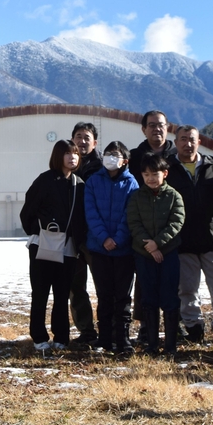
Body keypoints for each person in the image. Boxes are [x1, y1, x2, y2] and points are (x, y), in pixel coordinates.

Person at [20, 139, 86, 352]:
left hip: (68, 247)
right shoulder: (44, 180)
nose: (72, 157)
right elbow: (28, 211)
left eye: (75, 153)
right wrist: (40, 229)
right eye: (67, 153)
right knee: (40, 293)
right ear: (58, 156)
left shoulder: (79, 184)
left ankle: (61, 337)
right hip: (42, 244)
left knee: (62, 294)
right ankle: (39, 337)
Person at [166, 125, 213, 345]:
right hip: (183, 241)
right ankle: (194, 327)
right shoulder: (169, 170)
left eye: (192, 139)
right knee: (187, 290)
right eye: (183, 139)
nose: (188, 143)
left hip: (212, 239)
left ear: (199, 142)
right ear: (176, 143)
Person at [127, 153, 185, 355]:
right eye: (146, 174)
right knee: (148, 299)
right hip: (143, 255)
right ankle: (151, 345)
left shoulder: (174, 196)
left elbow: (176, 222)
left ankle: (170, 346)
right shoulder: (136, 197)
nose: (151, 178)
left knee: (169, 298)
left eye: (155, 174)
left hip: (168, 253)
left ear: (165, 174)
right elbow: (133, 223)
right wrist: (149, 247)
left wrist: (158, 244)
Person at [84, 141, 139, 355]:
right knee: (104, 295)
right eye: (108, 154)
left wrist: (117, 238)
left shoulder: (132, 183)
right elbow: (90, 212)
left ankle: (123, 339)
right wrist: (104, 238)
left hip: (124, 250)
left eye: (115, 155)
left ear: (125, 160)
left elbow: (130, 215)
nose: (110, 158)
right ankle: (104, 338)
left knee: (123, 297)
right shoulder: (93, 181)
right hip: (99, 248)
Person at [128, 110, 177, 341]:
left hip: (170, 234)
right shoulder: (135, 156)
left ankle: (174, 328)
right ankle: (147, 326)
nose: (156, 129)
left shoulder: (176, 156)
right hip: (143, 234)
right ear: (143, 129)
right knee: (144, 285)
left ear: (168, 127)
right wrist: (147, 240)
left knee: (172, 284)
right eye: (151, 125)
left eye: (161, 125)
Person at [68, 121, 103, 345]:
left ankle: (108, 329)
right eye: (78, 136)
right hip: (71, 237)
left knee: (103, 286)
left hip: (95, 236)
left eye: (86, 137)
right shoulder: (65, 165)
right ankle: (86, 331)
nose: (82, 141)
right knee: (76, 288)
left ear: (95, 142)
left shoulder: (102, 168)